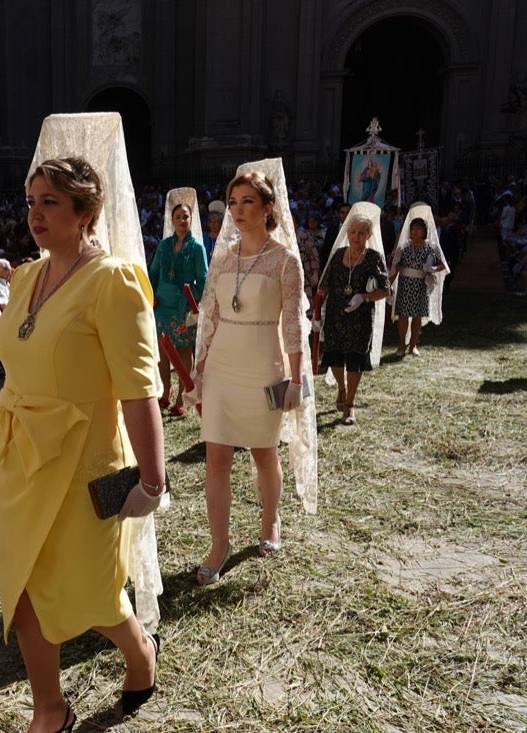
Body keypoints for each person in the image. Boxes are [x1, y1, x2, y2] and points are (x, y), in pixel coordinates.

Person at [0, 153, 165, 732]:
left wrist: (152, 479)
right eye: (31, 201)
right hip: (24, 460)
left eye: (51, 203)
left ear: (85, 212)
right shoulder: (23, 276)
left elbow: (140, 391)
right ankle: (49, 709)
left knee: (90, 593)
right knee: (27, 587)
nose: (35, 214)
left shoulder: (112, 280)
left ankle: (140, 655)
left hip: (84, 468)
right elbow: (16, 371)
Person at [192, 159, 318, 584]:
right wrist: (201, 366)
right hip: (223, 364)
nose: (238, 209)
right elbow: (210, 315)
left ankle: (271, 522)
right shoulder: (224, 257)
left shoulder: (285, 261)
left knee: (264, 451)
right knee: (216, 458)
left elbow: (293, 325)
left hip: (265, 363)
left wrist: (296, 378)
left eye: (248, 201)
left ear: (268, 207)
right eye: (233, 202)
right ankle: (218, 543)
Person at [317, 203, 389, 425]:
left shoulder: (373, 258)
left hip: (359, 318)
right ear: (346, 233)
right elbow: (324, 285)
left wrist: (364, 297)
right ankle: (341, 388)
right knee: (335, 355)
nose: (356, 237)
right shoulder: (338, 254)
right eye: (352, 232)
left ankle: (349, 405)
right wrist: (317, 313)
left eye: (361, 233)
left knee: (355, 359)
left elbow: (385, 289)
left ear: (369, 235)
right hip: (336, 315)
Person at [147, 189, 208, 416]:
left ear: (191, 220)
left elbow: (203, 277)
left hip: (184, 306)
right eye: (178, 217)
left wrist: (200, 305)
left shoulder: (198, 248)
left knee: (183, 350)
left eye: (186, 217)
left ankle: (183, 396)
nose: (182, 220)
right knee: (163, 351)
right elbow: (153, 273)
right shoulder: (163, 246)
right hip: (162, 305)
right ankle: (165, 391)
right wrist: (150, 294)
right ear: (171, 221)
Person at [388, 204, 449, 356]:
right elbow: (395, 266)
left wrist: (433, 269)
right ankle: (401, 345)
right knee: (402, 315)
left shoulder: (430, 248)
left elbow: (443, 265)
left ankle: (413, 345)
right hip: (405, 284)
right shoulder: (404, 247)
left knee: (417, 316)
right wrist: (389, 284)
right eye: (413, 229)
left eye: (418, 229)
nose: (415, 231)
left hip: (421, 285)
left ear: (424, 231)